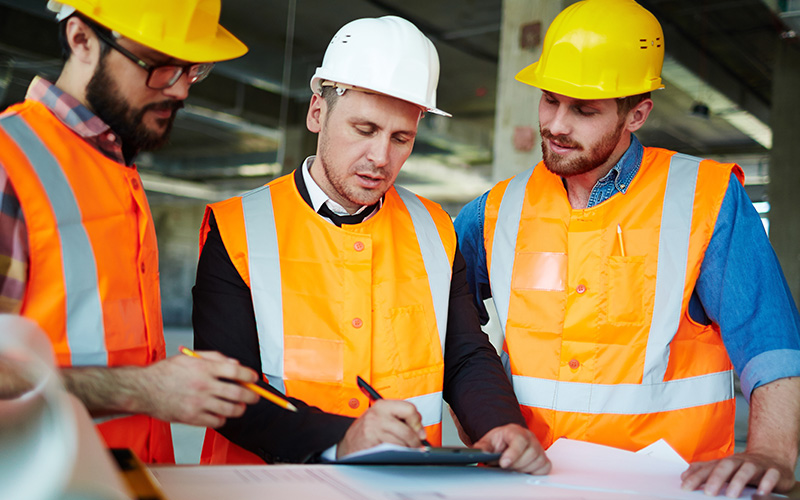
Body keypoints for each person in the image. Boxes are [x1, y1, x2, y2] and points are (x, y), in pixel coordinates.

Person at [454, 0, 800, 496]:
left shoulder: (705, 199)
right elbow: (442, 325)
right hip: (527, 484)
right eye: (550, 100)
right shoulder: (496, 210)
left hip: (671, 487)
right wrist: (479, 418)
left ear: (636, 113)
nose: (556, 124)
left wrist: (771, 452)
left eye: (584, 110)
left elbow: (771, 345)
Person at [192, 15, 550, 474]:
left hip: (403, 485)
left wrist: (500, 424)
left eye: (401, 138)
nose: (381, 158)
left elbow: (464, 354)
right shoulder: (238, 228)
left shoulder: (434, 229)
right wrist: (342, 438)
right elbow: (227, 391)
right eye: (364, 129)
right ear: (318, 111)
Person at [0, 0, 260, 463]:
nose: (180, 90)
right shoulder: (9, 159)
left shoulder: (114, 168)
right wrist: (143, 389)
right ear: (81, 39)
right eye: (159, 66)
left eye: (192, 69)